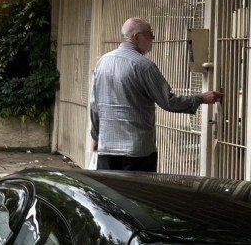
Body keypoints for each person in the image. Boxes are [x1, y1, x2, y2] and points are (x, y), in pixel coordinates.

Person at [90, 17, 223, 172]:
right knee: (138, 195)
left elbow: (95, 105)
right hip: (137, 151)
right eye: (149, 34)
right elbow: (168, 101)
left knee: (108, 194)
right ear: (136, 37)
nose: (153, 38)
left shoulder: (103, 62)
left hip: (107, 148)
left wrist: (95, 135)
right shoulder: (143, 66)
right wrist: (200, 98)